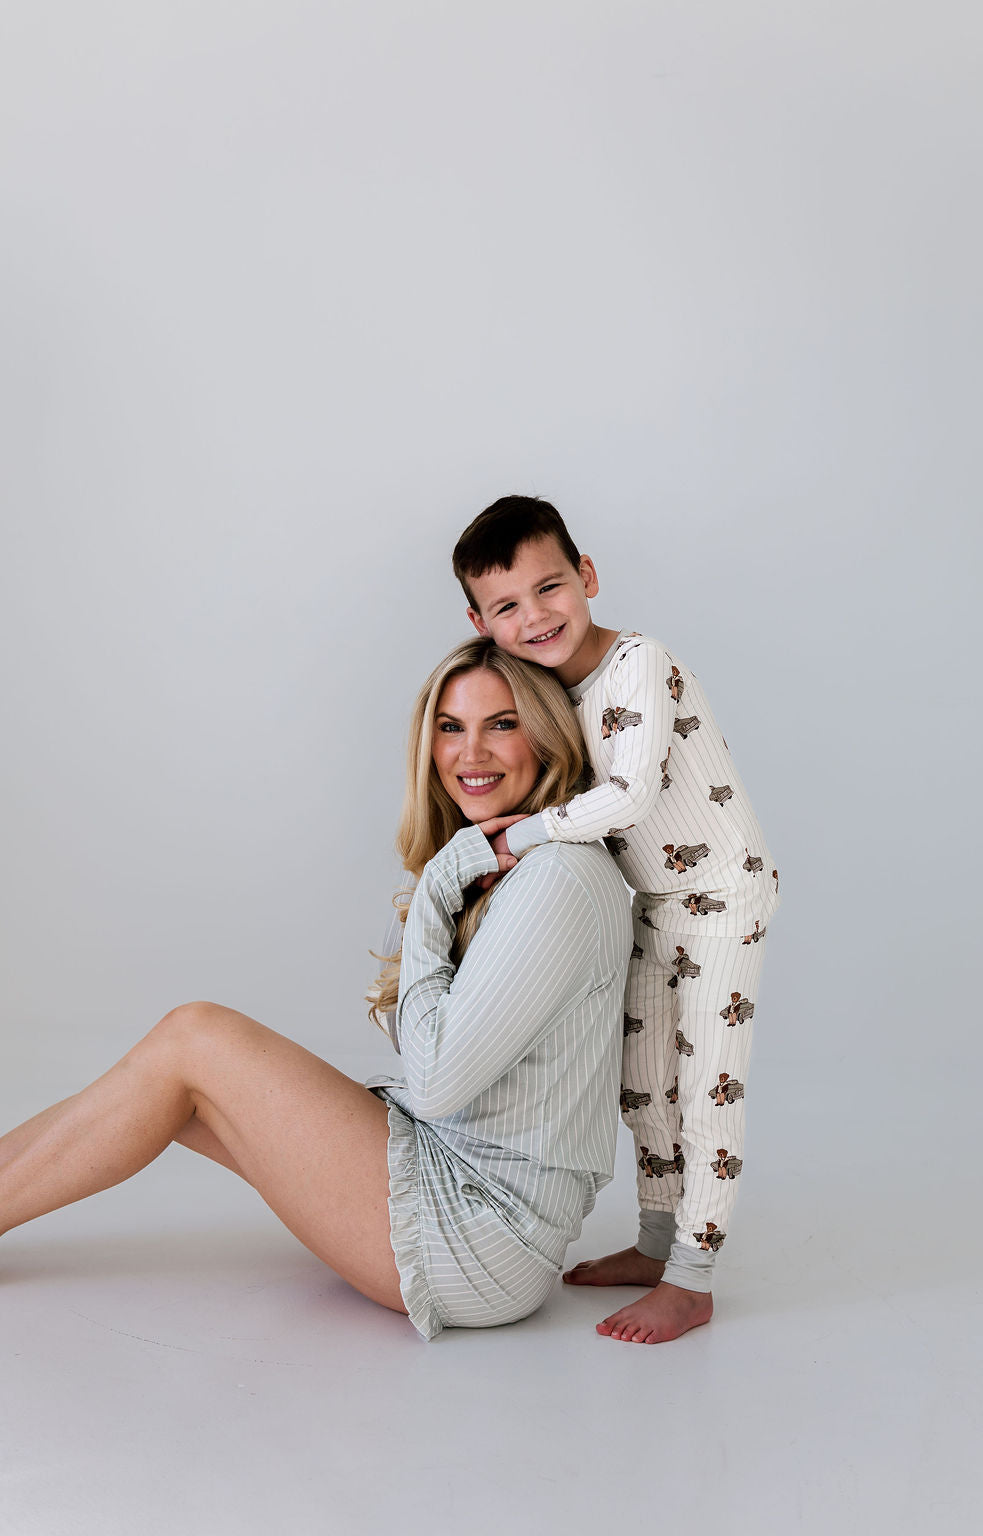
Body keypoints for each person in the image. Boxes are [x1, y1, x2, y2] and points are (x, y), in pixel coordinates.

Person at [0, 639, 632, 1341]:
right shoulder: (508, 868)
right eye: (450, 727)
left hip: (482, 1237)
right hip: (465, 1193)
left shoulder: (556, 878)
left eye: (502, 724)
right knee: (165, 1091)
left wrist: (435, 890)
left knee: (193, 1038)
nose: (470, 753)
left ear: (546, 736)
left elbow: (436, 1085)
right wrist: (446, 879)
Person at [452, 495, 780, 1345]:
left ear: (587, 575)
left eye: (549, 587)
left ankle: (693, 1280)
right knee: (641, 1081)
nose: (535, 616)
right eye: (506, 606)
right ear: (480, 623)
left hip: (723, 895)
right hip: (657, 903)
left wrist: (520, 836)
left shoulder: (639, 662)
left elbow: (630, 795)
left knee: (706, 1087)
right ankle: (658, 1241)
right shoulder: (545, 689)